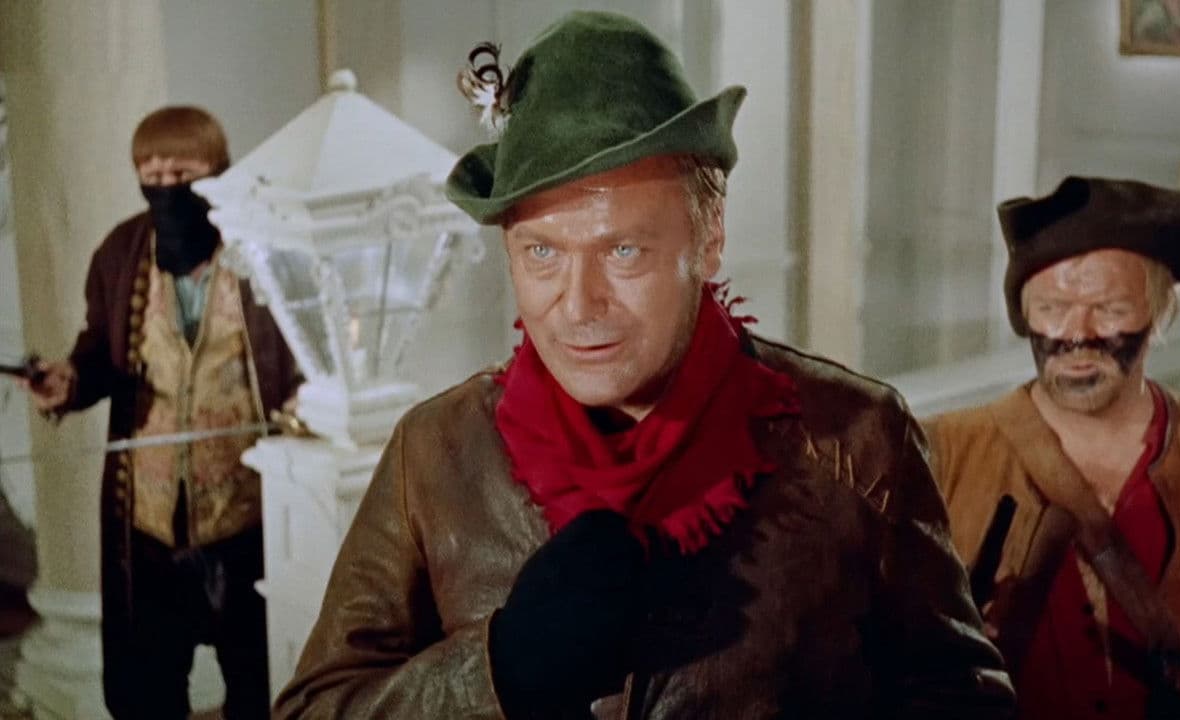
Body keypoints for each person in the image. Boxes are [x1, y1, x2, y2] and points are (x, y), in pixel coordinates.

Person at [273, 11, 1013, 720]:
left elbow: (961, 698)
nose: (578, 305)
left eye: (623, 250)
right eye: (542, 253)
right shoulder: (433, 453)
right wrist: (498, 672)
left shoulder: (858, 438)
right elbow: (314, 707)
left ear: (710, 238)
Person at [925, 176, 1180, 720]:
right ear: (1024, 316)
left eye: (1110, 308)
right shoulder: (938, 455)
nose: (1078, 333)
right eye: (1053, 307)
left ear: (1160, 313)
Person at [16, 106, 299, 719]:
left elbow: (300, 353)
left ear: (217, 171)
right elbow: (99, 352)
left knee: (262, 684)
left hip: (247, 517)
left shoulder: (262, 248)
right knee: (146, 689)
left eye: (183, 174)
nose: (166, 187)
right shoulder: (120, 253)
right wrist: (68, 382)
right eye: (152, 174)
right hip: (147, 523)